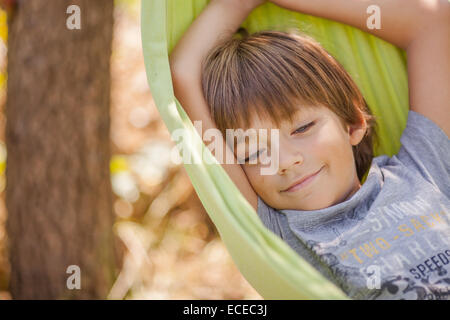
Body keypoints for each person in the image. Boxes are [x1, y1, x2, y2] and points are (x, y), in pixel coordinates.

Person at [169, 0, 450, 299]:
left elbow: (431, 20)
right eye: (252, 154)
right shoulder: (282, 235)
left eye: (302, 129)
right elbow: (184, 73)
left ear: (353, 123)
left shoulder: (424, 168)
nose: (286, 161)